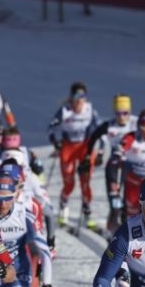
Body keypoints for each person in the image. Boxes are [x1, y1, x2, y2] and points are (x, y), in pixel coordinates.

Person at [47, 82, 100, 227]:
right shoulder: (65, 110)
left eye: (82, 97)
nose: (79, 101)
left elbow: (100, 129)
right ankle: (63, 207)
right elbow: (51, 128)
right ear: (71, 97)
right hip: (68, 147)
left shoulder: (89, 109)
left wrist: (99, 150)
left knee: (85, 181)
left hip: (84, 147)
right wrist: (55, 141)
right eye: (76, 96)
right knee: (69, 183)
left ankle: (87, 212)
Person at [84, 94, 138, 233]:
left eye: (125, 113)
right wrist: (88, 156)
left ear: (130, 111)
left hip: (131, 167)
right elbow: (93, 138)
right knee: (115, 203)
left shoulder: (136, 123)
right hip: (114, 167)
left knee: (129, 203)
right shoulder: (109, 125)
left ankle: (128, 230)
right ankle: (111, 231)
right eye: (118, 113)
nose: (121, 117)